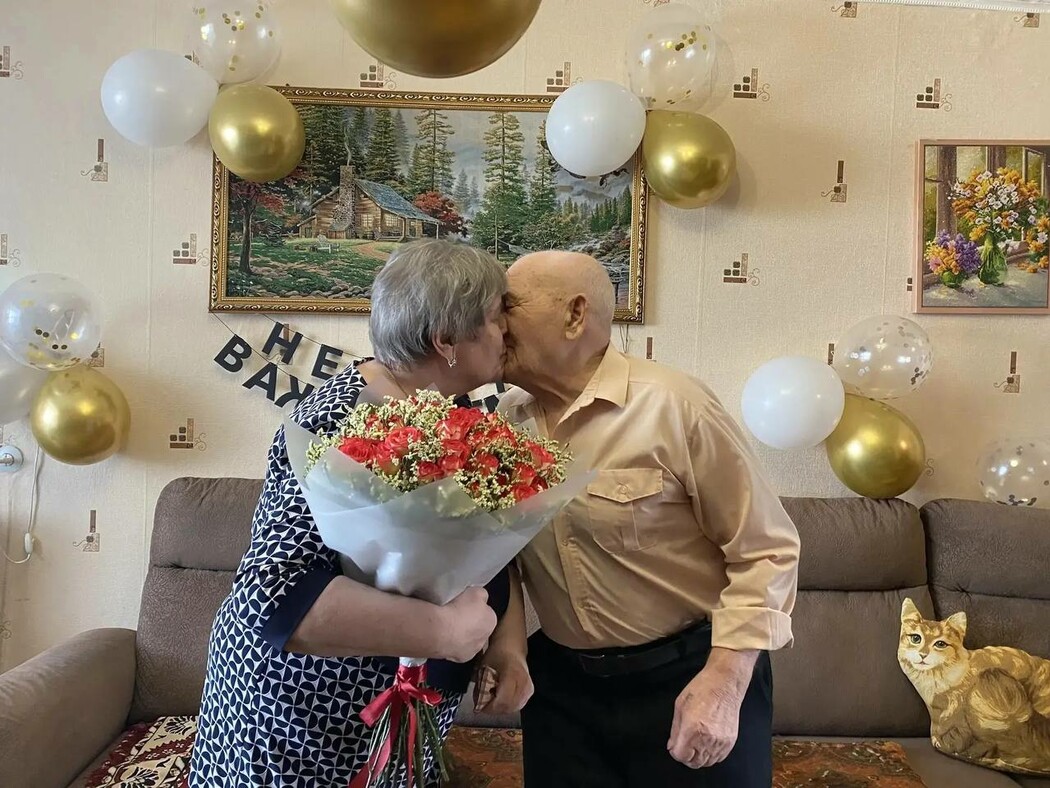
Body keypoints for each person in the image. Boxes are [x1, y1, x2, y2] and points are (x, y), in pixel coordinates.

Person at [190, 239, 531, 788]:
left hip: (397, 716)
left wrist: (509, 648)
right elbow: (272, 595)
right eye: (495, 318)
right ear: (446, 340)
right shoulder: (339, 419)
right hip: (302, 725)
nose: (507, 332)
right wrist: (443, 633)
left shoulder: (452, 408)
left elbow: (493, 548)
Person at [479, 250, 801, 787]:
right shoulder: (505, 422)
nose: (493, 323)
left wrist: (725, 681)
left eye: (508, 306)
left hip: (690, 677)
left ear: (575, 315)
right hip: (564, 693)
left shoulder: (675, 407)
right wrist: (509, 648)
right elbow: (499, 551)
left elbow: (768, 550)